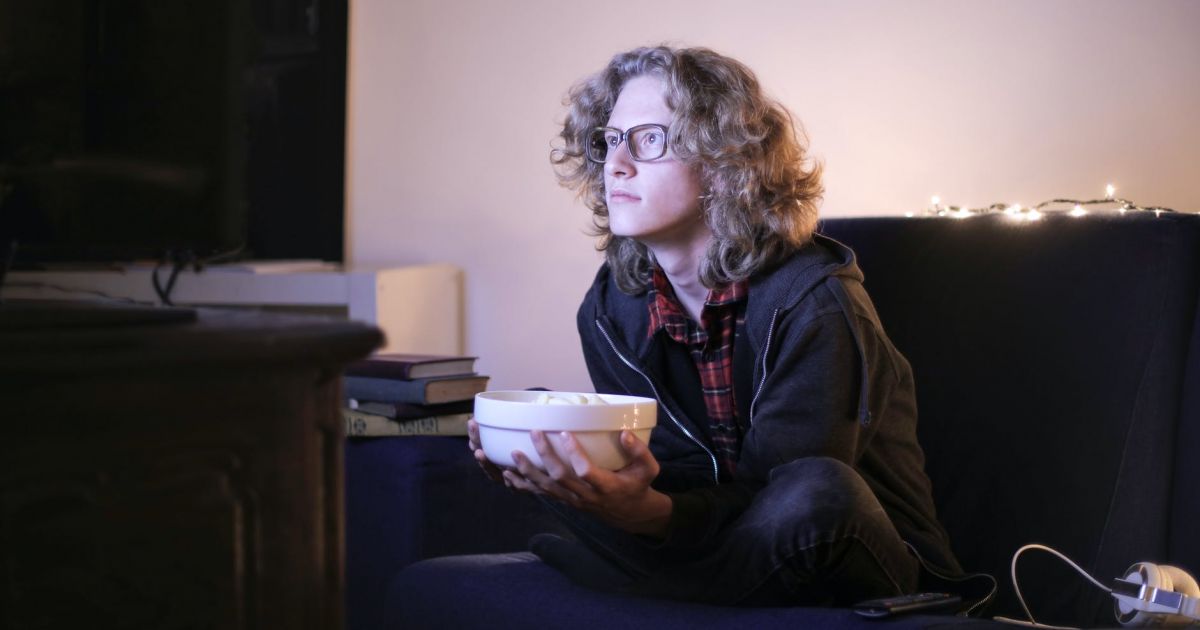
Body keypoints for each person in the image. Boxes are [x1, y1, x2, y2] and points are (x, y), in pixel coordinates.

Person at [466, 45, 962, 607]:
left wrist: (651, 516)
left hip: (860, 556)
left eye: (648, 139)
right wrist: (593, 481)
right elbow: (673, 474)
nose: (616, 164)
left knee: (818, 491)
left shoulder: (815, 305)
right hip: (707, 537)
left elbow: (775, 499)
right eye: (611, 139)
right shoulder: (609, 310)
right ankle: (674, 584)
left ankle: (659, 590)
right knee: (545, 428)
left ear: (725, 165)